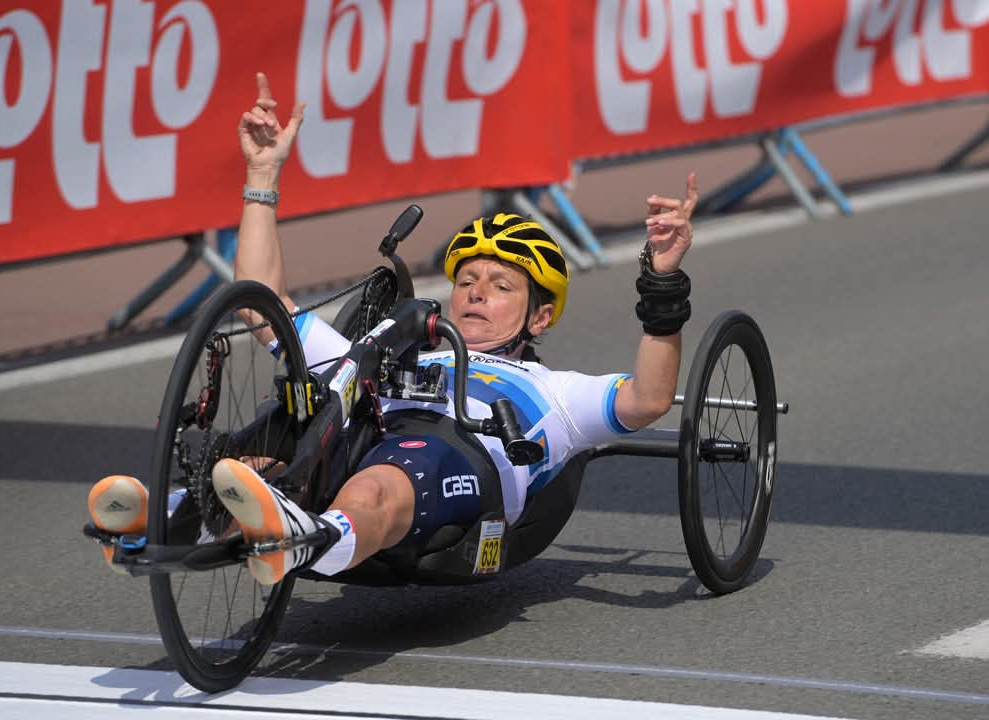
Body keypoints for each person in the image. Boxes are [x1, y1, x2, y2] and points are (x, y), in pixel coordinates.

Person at [88, 72, 697, 584]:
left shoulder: (556, 394)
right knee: (280, 439)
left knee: (386, 479)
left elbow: (648, 400)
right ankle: (166, 515)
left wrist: (663, 282)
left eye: (501, 286)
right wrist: (262, 178)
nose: (476, 292)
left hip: (454, 463)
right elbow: (261, 304)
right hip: (368, 436)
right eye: (467, 280)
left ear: (539, 317)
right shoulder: (383, 350)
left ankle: (307, 536)